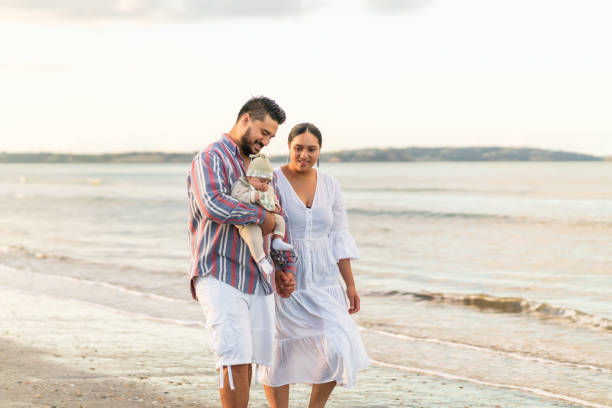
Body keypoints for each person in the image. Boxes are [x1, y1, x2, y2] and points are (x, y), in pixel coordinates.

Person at [186, 96, 296, 408]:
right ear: (245, 119)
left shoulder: (259, 168)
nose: (266, 141)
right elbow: (214, 204)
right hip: (219, 270)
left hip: (257, 277)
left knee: (248, 358)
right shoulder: (210, 158)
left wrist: (286, 268)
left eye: (271, 137)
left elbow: (279, 214)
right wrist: (263, 219)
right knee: (232, 354)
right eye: (263, 132)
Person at [260, 123, 369, 408]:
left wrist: (351, 284)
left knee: (337, 345)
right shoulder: (271, 180)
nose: (304, 155)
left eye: (311, 149)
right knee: (278, 351)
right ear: (288, 147)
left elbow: (338, 237)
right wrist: (277, 271)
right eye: (298, 148)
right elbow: (264, 229)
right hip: (284, 281)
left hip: (324, 280)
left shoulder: (331, 184)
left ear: (319, 150)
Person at [230, 153, 294, 283]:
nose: (264, 185)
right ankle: (261, 260)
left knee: (280, 220)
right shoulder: (242, 184)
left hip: (266, 218)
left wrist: (276, 206)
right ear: (249, 177)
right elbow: (236, 197)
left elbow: (274, 199)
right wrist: (253, 197)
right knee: (253, 235)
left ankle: (277, 239)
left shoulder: (267, 189)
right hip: (247, 223)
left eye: (267, 182)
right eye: (261, 181)